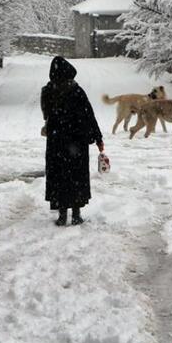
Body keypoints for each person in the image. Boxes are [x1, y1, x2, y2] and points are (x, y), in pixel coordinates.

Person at [41, 57, 103, 226]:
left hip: (57, 142)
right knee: (77, 176)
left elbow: (46, 114)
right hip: (77, 141)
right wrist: (98, 137)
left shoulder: (47, 91)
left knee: (59, 176)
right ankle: (76, 214)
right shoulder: (77, 91)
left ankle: (62, 214)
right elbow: (89, 115)